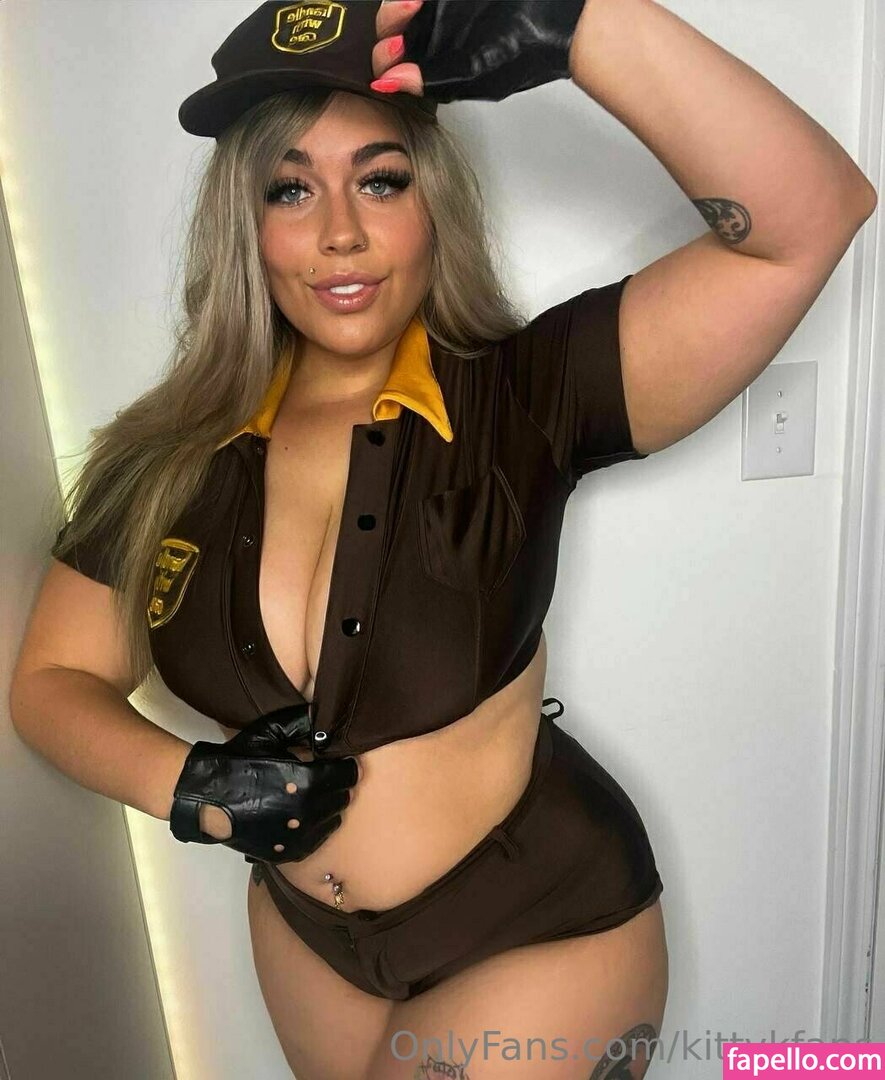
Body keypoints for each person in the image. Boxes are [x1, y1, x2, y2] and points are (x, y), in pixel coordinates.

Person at [9, 1, 876, 1078]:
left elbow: (811, 217)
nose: (340, 232)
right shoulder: (163, 457)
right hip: (308, 944)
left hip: (538, 922)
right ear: (245, 223)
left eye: (381, 181)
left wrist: (578, 24)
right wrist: (187, 786)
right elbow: (52, 680)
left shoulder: (532, 393)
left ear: (434, 203)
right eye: (290, 189)